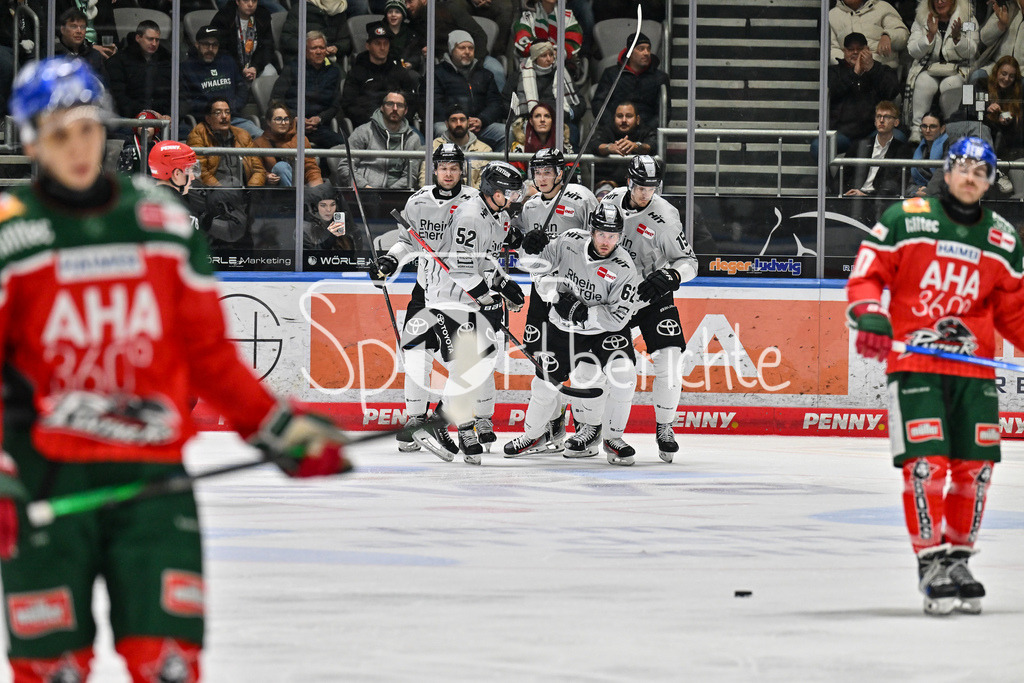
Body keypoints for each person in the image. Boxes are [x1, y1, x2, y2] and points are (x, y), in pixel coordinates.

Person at [0, 55, 349, 683]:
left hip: (152, 483)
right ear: (31, 143)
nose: (76, 147)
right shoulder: (12, 238)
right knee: (48, 669)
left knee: (169, 667)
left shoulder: (160, 224)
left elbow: (208, 354)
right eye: (57, 134)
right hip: (44, 480)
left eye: (85, 129)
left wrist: (275, 427)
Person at [846, 135, 1024, 616]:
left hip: (975, 373)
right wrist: (871, 316)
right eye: (963, 168)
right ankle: (929, 561)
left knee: (976, 471)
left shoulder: (1002, 238)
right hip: (917, 367)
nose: (971, 177)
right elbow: (867, 276)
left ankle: (959, 558)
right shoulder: (907, 219)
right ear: (947, 171)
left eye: (981, 172)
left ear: (989, 182)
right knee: (927, 468)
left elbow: (1014, 313)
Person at [546, 156, 696, 463]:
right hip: (611, 300)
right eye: (640, 186)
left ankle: (665, 427)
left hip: (652, 298)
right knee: (592, 365)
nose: (644, 193)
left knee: (669, 360)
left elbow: (689, 261)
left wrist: (673, 275)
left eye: (651, 187)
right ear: (629, 182)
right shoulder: (610, 202)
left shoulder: (667, 216)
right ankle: (590, 429)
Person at [504, 204, 640, 465]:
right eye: (602, 234)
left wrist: (581, 312)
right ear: (592, 231)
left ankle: (613, 438)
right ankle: (533, 435)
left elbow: (618, 317)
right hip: (562, 327)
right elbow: (535, 269)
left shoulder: (624, 268)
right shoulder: (569, 241)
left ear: (620, 237)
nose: (606, 241)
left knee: (624, 374)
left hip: (603, 332)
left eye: (613, 236)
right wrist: (528, 248)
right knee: (543, 385)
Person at [376, 144, 482, 455]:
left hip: (462, 294)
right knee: (415, 355)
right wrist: (390, 261)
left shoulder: (474, 201)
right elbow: (407, 243)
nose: (448, 173)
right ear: (434, 169)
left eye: (454, 167)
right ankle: (414, 420)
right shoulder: (419, 201)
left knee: (463, 363)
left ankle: (455, 423)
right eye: (443, 167)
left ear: (462, 169)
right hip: (425, 291)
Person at [505, 148, 596, 454]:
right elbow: (524, 260)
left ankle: (586, 428)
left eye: (548, 172)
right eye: (538, 172)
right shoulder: (530, 207)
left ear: (560, 172)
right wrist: (527, 250)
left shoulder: (582, 198)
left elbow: (600, 243)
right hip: (541, 293)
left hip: (575, 293)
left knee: (582, 359)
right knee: (544, 360)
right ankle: (553, 429)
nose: (542, 178)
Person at [822, 30, 902, 159]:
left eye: (859, 49)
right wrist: (855, 74)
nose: (855, 52)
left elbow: (892, 92)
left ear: (868, 49)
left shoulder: (882, 70)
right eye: (850, 49)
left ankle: (882, 179)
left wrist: (871, 69)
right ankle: (828, 180)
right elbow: (835, 90)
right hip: (842, 133)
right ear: (844, 51)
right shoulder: (833, 72)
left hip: (874, 131)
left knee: (897, 137)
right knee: (819, 146)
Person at [906, 0, 976, 140]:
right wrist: (929, 36)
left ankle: (951, 130)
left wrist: (957, 38)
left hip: (958, 69)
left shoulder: (968, 18)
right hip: (928, 68)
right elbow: (912, 50)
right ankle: (917, 131)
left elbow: (972, 51)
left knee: (951, 84)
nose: (940, 2)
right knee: (923, 81)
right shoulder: (922, 18)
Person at [405, 0, 506, 90]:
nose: (407, 6)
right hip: (447, 62)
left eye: (410, 1)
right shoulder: (414, 22)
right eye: (405, 2)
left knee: (496, 70)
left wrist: (476, 64)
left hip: (475, 56)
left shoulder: (449, 9)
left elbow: (480, 35)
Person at [181, 25, 260, 139]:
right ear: (197, 44)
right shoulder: (187, 68)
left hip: (233, 119)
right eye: (206, 44)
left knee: (259, 136)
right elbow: (187, 101)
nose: (210, 48)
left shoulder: (227, 62)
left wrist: (231, 108)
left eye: (214, 45)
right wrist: (213, 112)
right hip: (206, 123)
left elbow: (242, 88)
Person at [270, 30, 345, 150]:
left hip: (318, 127)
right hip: (291, 126)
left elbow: (335, 105)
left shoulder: (333, 71)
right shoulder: (292, 68)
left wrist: (320, 119)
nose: (319, 52)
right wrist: (295, 118)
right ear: (305, 51)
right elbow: (276, 99)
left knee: (343, 146)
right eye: (314, 48)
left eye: (322, 47)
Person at [432, 30, 507, 151]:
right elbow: (434, 103)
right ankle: (447, 167)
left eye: (470, 48)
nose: (467, 52)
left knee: (506, 132)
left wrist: (482, 120)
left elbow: (496, 103)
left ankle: (495, 168)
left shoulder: (484, 74)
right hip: (450, 125)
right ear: (452, 50)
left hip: (478, 125)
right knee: (440, 129)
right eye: (462, 47)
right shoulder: (437, 73)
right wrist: (457, 120)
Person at [332, 90, 422, 189]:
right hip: (364, 192)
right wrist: (365, 186)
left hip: (397, 195)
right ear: (382, 107)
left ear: (405, 111)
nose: (395, 108)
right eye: (390, 104)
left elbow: (411, 176)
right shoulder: (363, 131)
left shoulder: (412, 138)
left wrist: (390, 194)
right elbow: (345, 167)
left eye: (399, 105)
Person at [343, 21, 420, 129]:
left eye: (386, 43)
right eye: (377, 43)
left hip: (399, 125)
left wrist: (400, 118)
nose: (382, 47)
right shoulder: (357, 72)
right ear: (368, 46)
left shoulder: (398, 70)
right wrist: (376, 120)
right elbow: (349, 105)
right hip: (369, 126)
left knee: (420, 144)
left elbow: (412, 99)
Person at [591, 32, 668, 128]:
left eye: (648, 49)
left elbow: (664, 113)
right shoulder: (611, 74)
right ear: (630, 52)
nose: (646, 53)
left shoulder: (660, 78)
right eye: (641, 49)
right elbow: (598, 103)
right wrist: (613, 125)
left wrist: (645, 130)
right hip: (614, 128)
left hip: (646, 131)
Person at [515, 41, 584, 147]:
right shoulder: (521, 75)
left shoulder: (563, 73)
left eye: (551, 55)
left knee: (572, 132)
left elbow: (580, 103)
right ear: (535, 58)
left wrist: (568, 114)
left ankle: (569, 163)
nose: (549, 59)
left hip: (562, 120)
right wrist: (528, 115)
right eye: (543, 56)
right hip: (532, 121)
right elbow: (508, 102)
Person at [187, 97, 268, 187]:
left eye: (227, 112)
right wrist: (221, 191)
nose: (224, 116)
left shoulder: (242, 135)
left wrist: (251, 190)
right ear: (208, 119)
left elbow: (259, 170)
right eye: (218, 113)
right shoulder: (198, 135)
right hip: (213, 192)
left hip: (243, 190)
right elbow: (200, 172)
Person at [103, 20, 173, 119]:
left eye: (157, 40)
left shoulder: (166, 61)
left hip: (163, 120)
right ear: (138, 38)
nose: (154, 43)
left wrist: (170, 115)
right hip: (131, 119)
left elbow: (178, 96)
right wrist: (145, 114)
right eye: (150, 39)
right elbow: (119, 97)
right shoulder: (119, 61)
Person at [842, 100, 911, 196]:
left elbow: (895, 185)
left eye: (886, 117)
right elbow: (842, 176)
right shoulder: (859, 146)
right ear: (875, 121)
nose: (881, 120)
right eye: (878, 116)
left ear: (896, 122)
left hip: (879, 201)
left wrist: (867, 195)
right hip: (853, 197)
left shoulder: (902, 150)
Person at [587, 100, 657, 192]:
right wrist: (609, 148)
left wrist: (636, 146)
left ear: (637, 119)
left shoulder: (645, 131)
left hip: (639, 183)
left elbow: (652, 145)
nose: (624, 120)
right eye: (620, 116)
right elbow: (594, 144)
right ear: (614, 118)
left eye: (629, 116)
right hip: (608, 182)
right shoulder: (606, 130)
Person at [419, 103, 493, 188]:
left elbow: (483, 184)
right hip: (440, 198)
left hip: (472, 199)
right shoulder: (435, 146)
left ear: (468, 122)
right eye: (453, 120)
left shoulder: (484, 149)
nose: (458, 124)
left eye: (462, 120)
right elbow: (424, 180)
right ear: (446, 124)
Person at [253, 101, 326, 187]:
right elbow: (256, 169)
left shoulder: (300, 139)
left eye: (286, 119)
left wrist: (317, 187)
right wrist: (267, 176)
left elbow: (310, 167)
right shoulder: (259, 142)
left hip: (302, 188)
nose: (283, 123)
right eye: (278, 119)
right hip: (273, 191)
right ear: (269, 122)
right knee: (281, 167)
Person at [980, 55, 1024, 195]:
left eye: (1011, 76)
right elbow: (970, 114)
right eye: (1003, 74)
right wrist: (989, 111)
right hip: (990, 148)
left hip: (1012, 148)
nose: (1006, 79)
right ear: (996, 72)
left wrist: (1009, 123)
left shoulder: (1018, 94)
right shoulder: (983, 85)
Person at [829, 0, 909, 71]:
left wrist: (888, 36)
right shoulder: (832, 15)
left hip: (882, 70)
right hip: (848, 74)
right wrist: (851, 63)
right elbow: (831, 50)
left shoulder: (882, 7)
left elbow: (903, 36)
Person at [211, 0, 277, 82]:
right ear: (237, 2)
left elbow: (267, 47)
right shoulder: (223, 18)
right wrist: (240, 68)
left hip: (255, 64)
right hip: (231, 65)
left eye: (254, 1)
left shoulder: (262, 15)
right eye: (245, 0)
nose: (250, 4)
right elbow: (221, 51)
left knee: (270, 72)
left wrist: (255, 67)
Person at [508, 102, 573, 174]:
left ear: (552, 121)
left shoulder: (564, 147)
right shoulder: (519, 148)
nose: (542, 120)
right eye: (537, 116)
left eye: (547, 116)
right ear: (531, 121)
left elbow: (574, 178)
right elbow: (516, 179)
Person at [513, 0, 584, 64]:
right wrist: (543, 53)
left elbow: (573, 40)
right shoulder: (527, 17)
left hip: (562, 66)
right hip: (533, 66)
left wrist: (557, 53)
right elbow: (523, 40)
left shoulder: (567, 17)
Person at [280, 0, 352, 62]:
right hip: (303, 62)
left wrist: (336, 48)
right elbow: (287, 39)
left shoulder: (339, 9)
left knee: (342, 76)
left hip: (330, 61)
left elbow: (345, 41)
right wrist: (310, 48)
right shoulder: (300, 8)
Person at [973, 0, 1024, 82]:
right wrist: (1001, 25)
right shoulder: (1008, 8)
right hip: (996, 66)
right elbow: (984, 38)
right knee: (976, 77)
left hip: (1021, 72)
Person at [906, 111, 949, 196]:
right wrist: (915, 192)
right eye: (924, 126)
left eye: (932, 127)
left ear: (942, 128)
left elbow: (944, 172)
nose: (928, 130)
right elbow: (911, 182)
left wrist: (928, 191)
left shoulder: (949, 145)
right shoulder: (919, 148)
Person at [53, 7, 105, 73]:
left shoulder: (94, 55)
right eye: (74, 26)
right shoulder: (52, 53)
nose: (79, 31)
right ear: (62, 29)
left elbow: (102, 82)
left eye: (83, 27)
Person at [382, 0, 422, 74]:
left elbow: (416, 53)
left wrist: (410, 63)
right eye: (390, 12)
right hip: (383, 70)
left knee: (414, 76)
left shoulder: (411, 33)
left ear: (403, 15)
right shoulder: (379, 31)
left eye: (397, 12)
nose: (393, 15)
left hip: (405, 71)